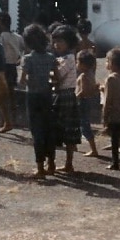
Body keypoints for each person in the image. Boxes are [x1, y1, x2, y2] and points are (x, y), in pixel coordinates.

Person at [20, 24, 57, 178]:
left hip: (33, 96)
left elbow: (22, 81)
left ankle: (40, 168)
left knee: (37, 131)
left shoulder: (27, 59)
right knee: (49, 129)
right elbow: (54, 78)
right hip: (47, 96)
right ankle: (51, 163)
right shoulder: (51, 57)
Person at [51, 25, 81, 172]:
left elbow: (58, 76)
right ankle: (61, 162)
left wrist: (51, 68)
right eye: (55, 41)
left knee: (68, 130)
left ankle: (69, 163)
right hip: (61, 94)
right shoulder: (62, 58)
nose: (57, 45)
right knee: (59, 129)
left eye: (60, 41)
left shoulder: (68, 58)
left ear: (69, 42)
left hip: (66, 94)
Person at [0, 11, 24, 124]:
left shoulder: (1, 37)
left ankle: (3, 119)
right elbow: (23, 48)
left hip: (3, 68)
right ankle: (14, 118)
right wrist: (18, 58)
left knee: (1, 94)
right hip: (12, 67)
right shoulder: (17, 36)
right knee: (11, 93)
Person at [76, 49, 100, 157]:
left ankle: (93, 149)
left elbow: (83, 91)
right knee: (81, 124)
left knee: (84, 126)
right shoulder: (91, 73)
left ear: (83, 65)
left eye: (78, 62)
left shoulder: (83, 76)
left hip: (82, 102)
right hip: (89, 101)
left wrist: (75, 96)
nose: (76, 64)